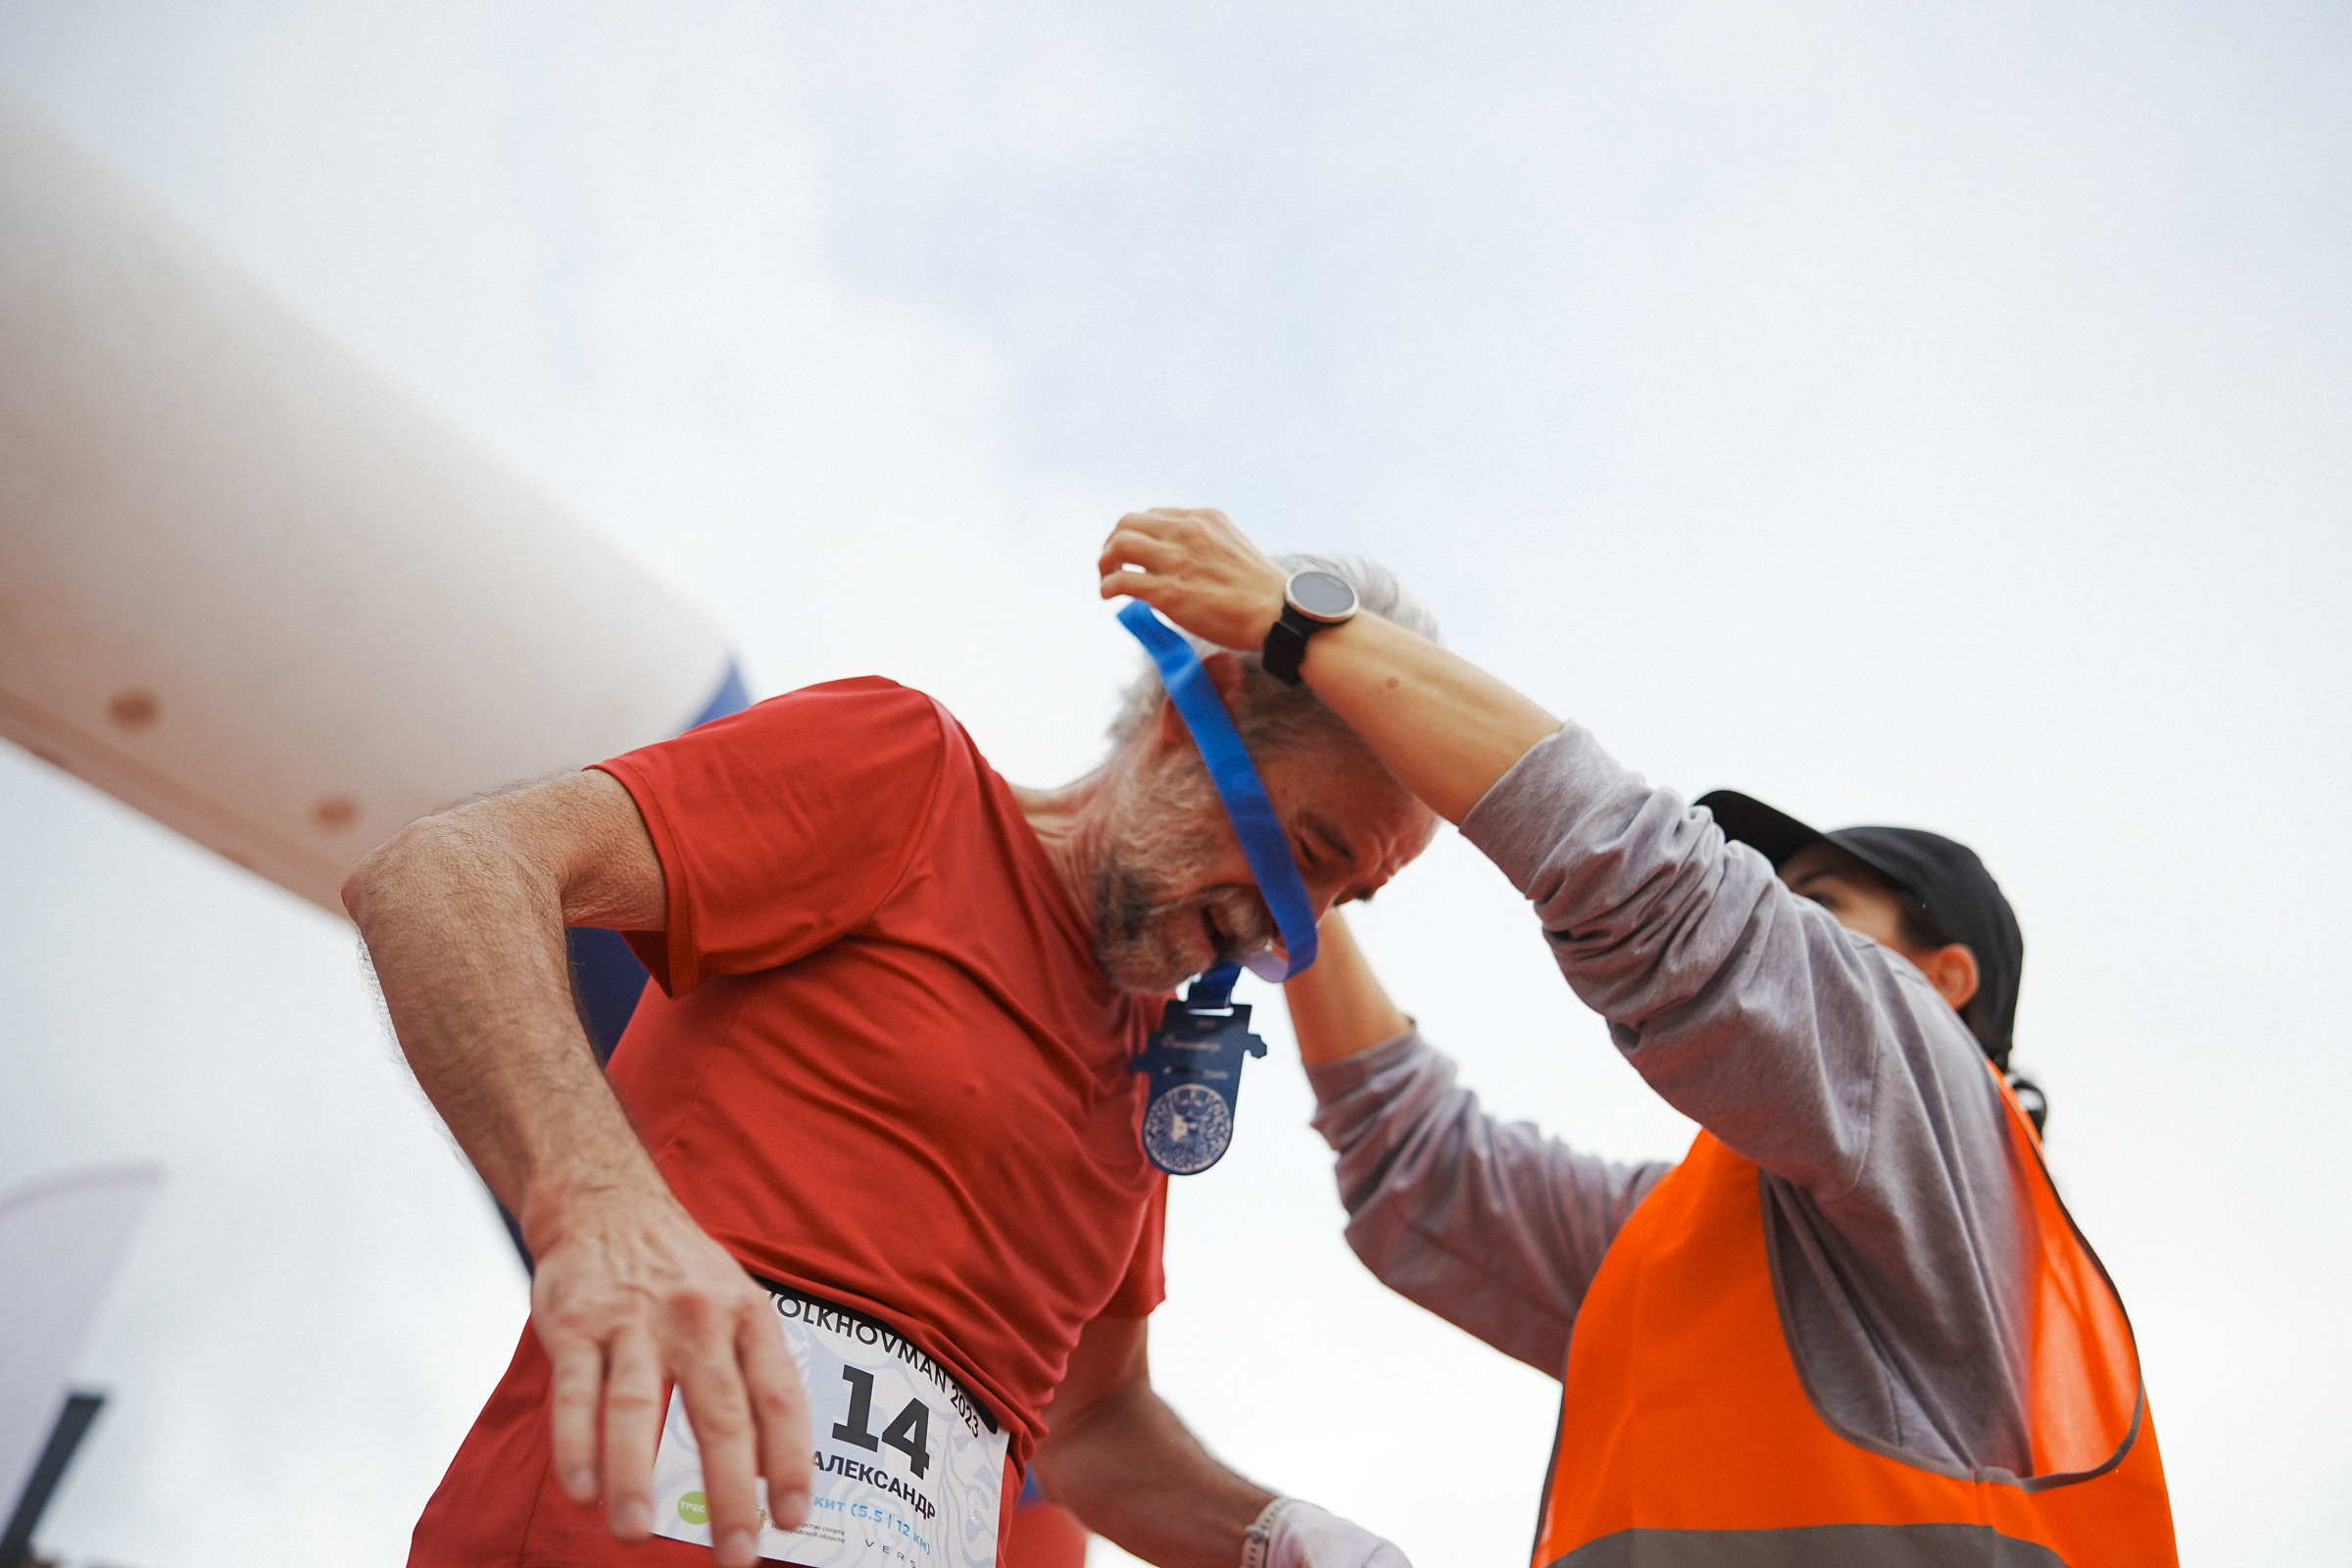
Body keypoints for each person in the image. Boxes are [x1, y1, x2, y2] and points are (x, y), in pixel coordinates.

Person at [1100, 509, 2178, 1567]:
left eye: (1824, 909)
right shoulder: (1685, 1247)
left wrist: (1301, 630)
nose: (1782, 926)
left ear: (1945, 984)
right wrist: (1291, 867)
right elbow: (1419, 1168)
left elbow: (1660, 900)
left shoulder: (1938, 1108)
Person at [343, 554, 1437, 1568]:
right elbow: (449, 871)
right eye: (1310, 853)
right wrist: (595, 1203)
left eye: (1347, 900)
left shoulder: (1158, 1065)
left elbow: (1092, 1425)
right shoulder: (907, 775)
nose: (1291, 932)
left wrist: (1277, 1538)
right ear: (1205, 717)